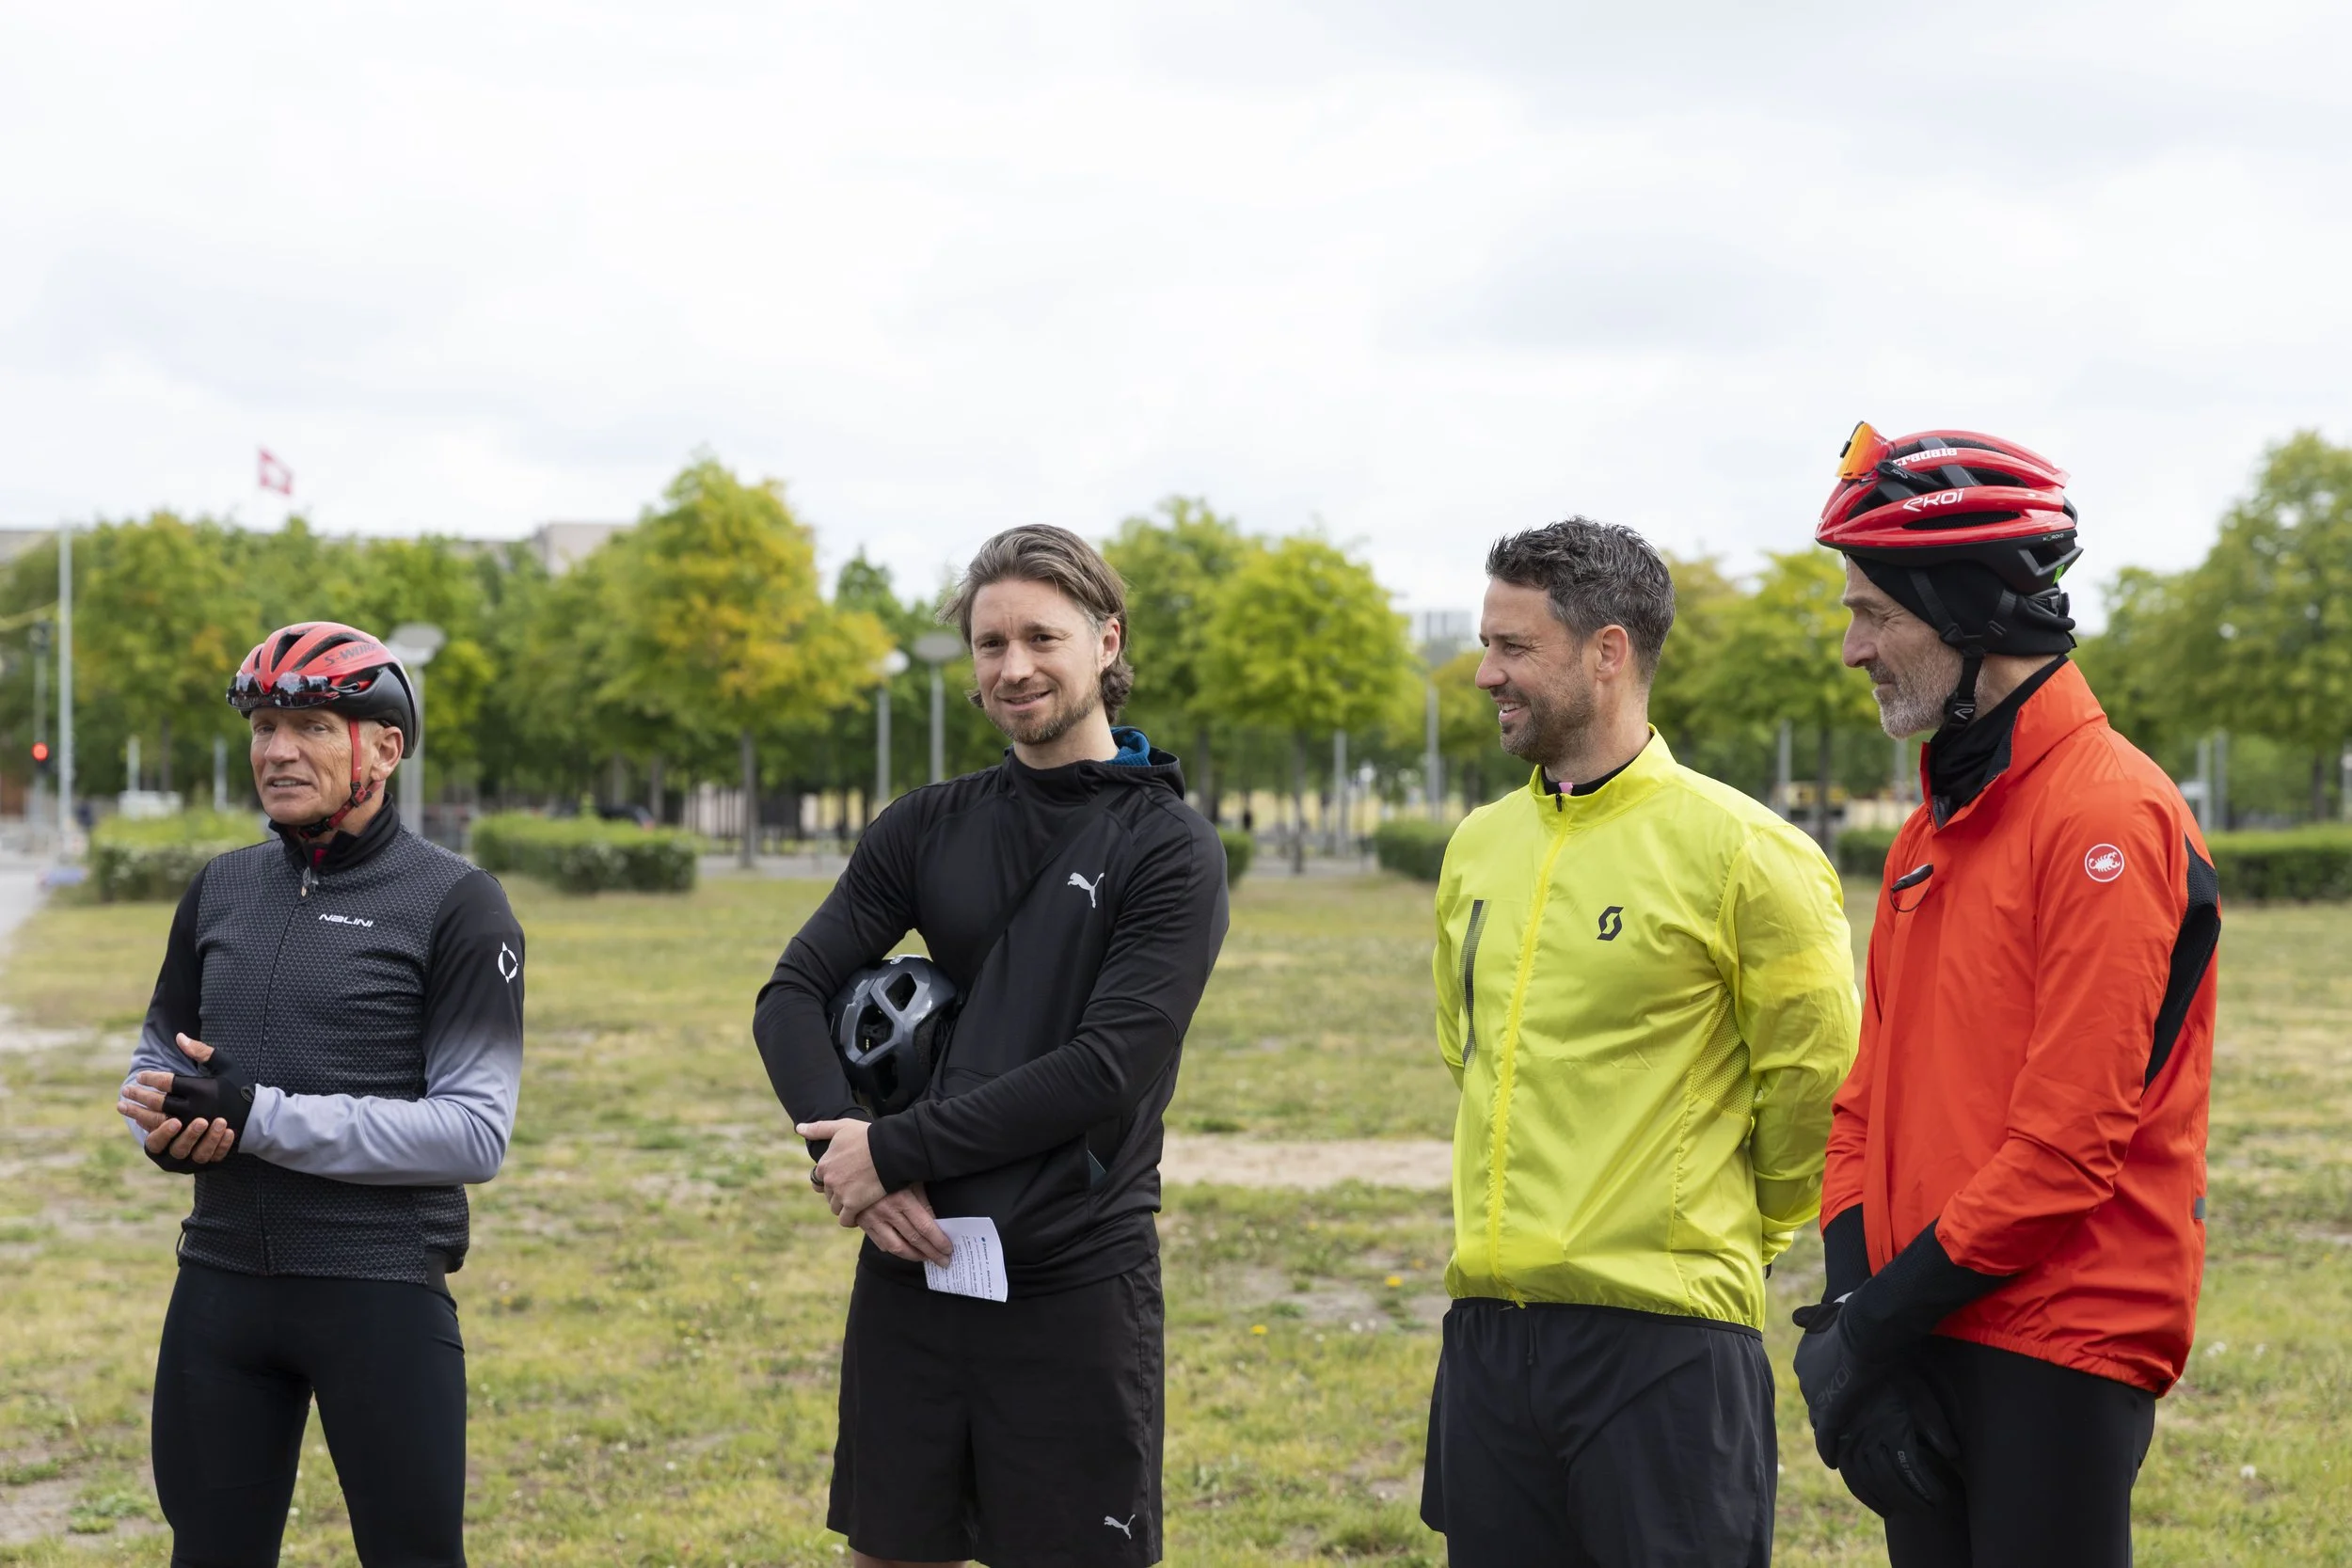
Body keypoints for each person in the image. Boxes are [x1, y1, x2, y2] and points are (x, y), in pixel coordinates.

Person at [754, 525, 1229, 1568]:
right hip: (912, 1269)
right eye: (990, 642)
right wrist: (850, 1160)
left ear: (1106, 641)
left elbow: (1107, 1065)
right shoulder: (927, 824)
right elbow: (790, 993)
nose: (1013, 667)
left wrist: (895, 1147)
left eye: (1041, 638)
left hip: (1072, 1278)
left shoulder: (1169, 848)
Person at [1799, 424, 2218, 1567]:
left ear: (1970, 612)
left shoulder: (2107, 815)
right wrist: (1853, 1318)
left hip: (2054, 1338)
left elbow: (2065, 1148)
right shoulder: (1925, 833)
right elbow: (1862, 1108)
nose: (1852, 648)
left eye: (1874, 614)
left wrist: (1871, 1328)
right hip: (1915, 1323)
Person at [1420, 519, 1860, 1568]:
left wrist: (1724, 1233)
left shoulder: (1748, 851)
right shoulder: (1477, 844)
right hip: (1487, 1336)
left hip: (1667, 1346)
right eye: (1486, 644)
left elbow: (1817, 1085)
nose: (1485, 673)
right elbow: (1467, 1053)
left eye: (1513, 646)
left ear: (1606, 652)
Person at [114, 622, 526, 1568]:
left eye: (310, 725)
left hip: (377, 1287)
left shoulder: (458, 903)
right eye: (264, 726)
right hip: (219, 1282)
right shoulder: (220, 887)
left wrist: (258, 1116)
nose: (278, 750)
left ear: (384, 747)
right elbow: (153, 1056)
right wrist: (163, 1123)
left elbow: (474, 1132)